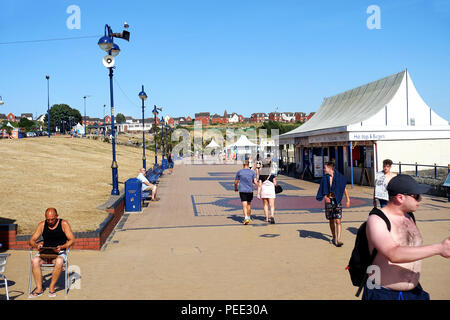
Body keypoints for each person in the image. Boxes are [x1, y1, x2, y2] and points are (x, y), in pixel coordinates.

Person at [363, 174, 450, 300]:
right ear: (400, 198)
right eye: (417, 196)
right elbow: (393, 253)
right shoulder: (376, 220)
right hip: (383, 293)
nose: (421, 199)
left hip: (414, 292)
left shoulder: (409, 217)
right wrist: (439, 248)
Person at [28, 208, 75, 298]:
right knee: (34, 260)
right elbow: (32, 241)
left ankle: (52, 287)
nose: (50, 221)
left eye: (52, 219)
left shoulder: (63, 223)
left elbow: (72, 240)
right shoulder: (42, 224)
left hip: (59, 252)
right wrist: (37, 245)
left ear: (57, 216)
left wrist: (62, 247)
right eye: (48, 219)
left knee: (59, 262)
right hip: (45, 252)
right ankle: (39, 288)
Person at [316, 162, 350, 247]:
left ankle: (338, 239)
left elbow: (344, 188)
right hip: (328, 201)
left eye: (325, 168)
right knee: (331, 220)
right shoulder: (324, 178)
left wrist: (348, 199)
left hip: (337, 200)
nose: (324, 169)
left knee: (338, 220)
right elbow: (322, 189)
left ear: (330, 168)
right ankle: (334, 237)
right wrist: (324, 196)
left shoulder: (339, 177)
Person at [234, 160, 258, 225]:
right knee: (249, 205)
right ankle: (249, 217)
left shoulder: (239, 172)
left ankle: (246, 217)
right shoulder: (252, 172)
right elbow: (255, 182)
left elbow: (236, 182)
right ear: (248, 165)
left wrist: (235, 188)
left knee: (244, 205)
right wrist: (259, 186)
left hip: (242, 190)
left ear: (243, 165)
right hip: (250, 190)